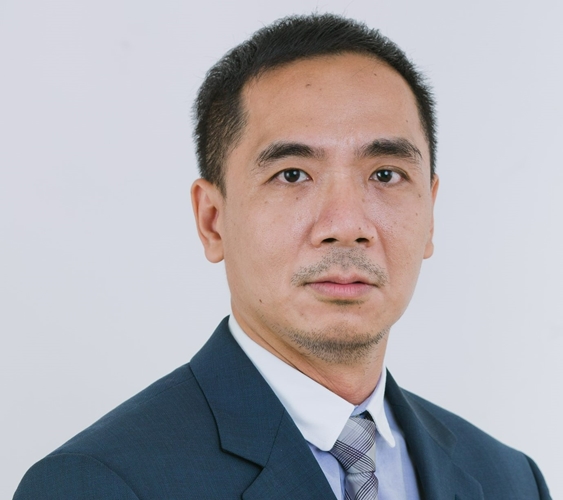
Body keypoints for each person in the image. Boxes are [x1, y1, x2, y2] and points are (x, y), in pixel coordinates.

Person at [14, 13, 551, 500]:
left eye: (385, 174)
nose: (346, 225)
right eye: (292, 175)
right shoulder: (98, 483)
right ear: (212, 220)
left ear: (430, 214)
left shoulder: (509, 480)